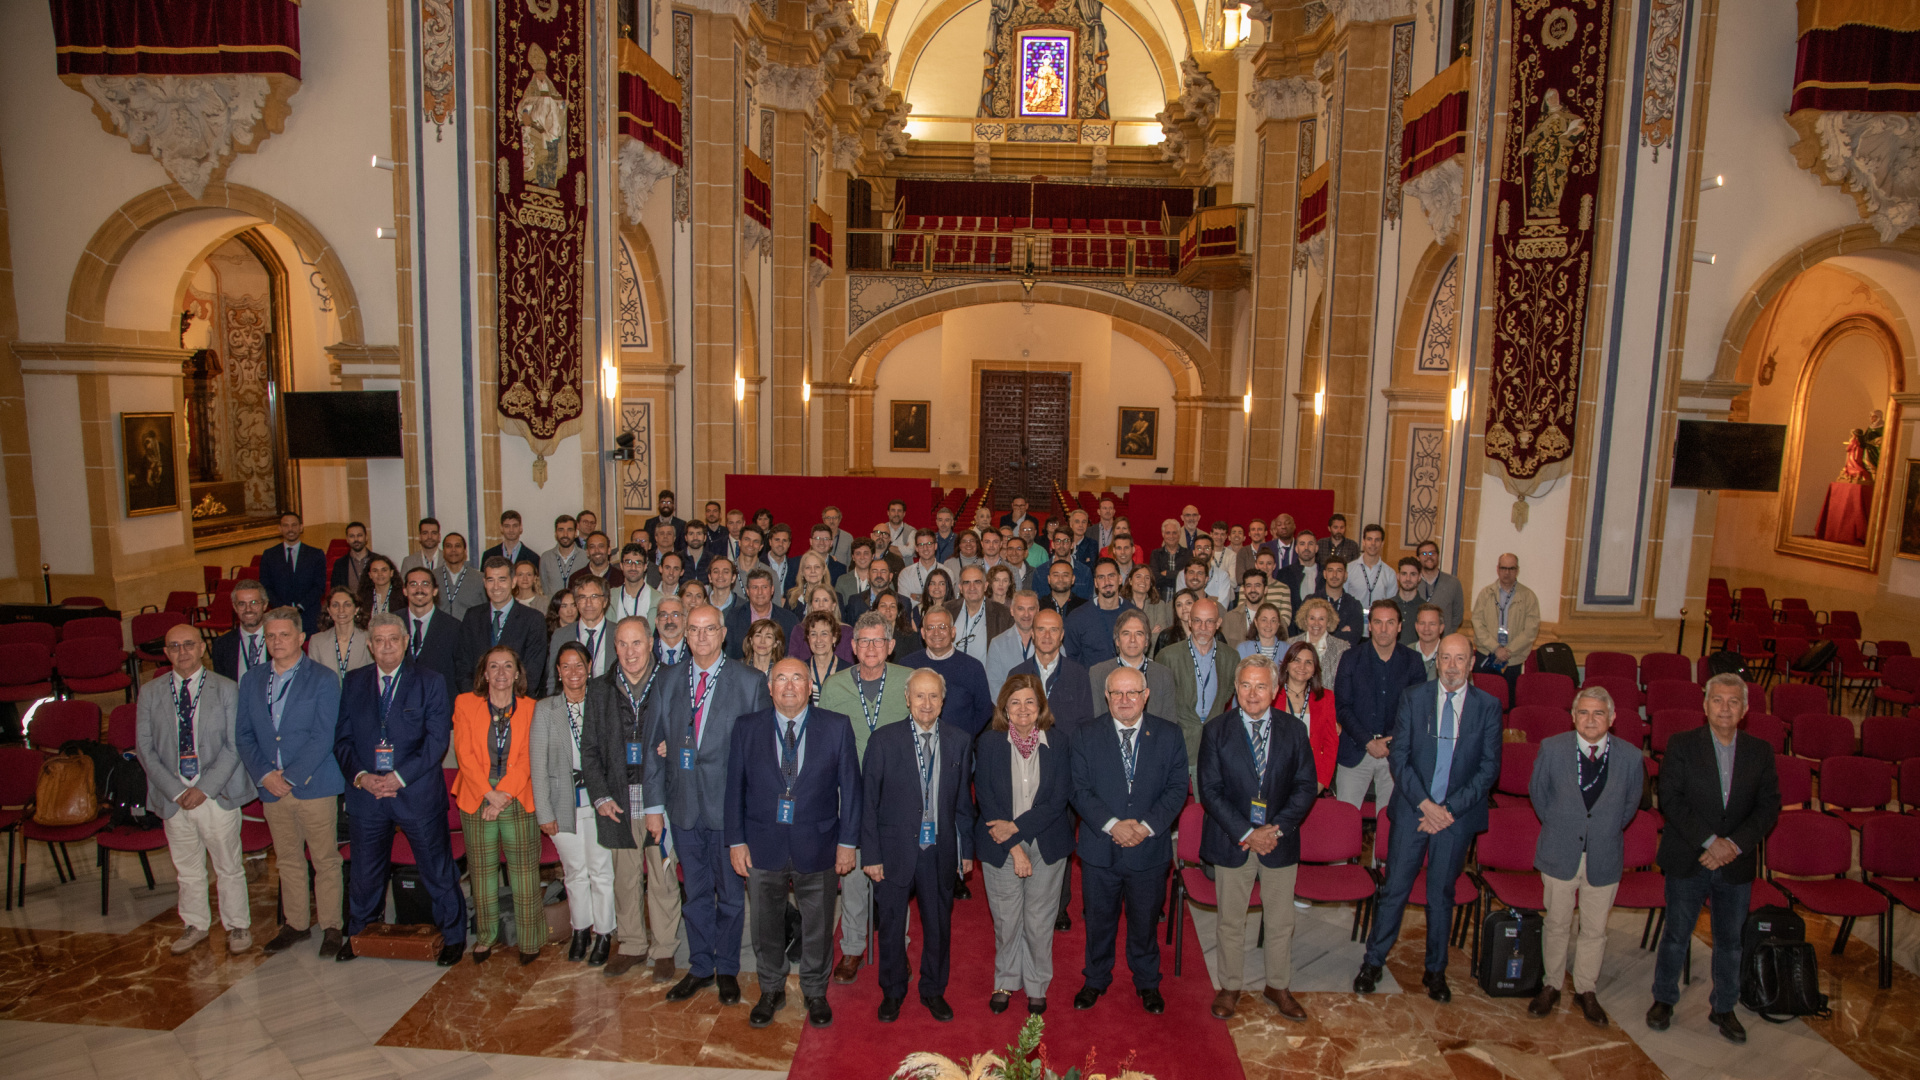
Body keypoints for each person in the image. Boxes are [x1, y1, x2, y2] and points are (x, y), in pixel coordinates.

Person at [1354, 634, 1502, 1002]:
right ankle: (1373, 962)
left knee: (1441, 893)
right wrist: (1426, 805)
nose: (1451, 666)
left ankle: (1435, 971)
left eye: (1459, 659)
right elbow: (1399, 757)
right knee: (1394, 890)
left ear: (1471, 663)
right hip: (1413, 812)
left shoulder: (1488, 706)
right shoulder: (1414, 698)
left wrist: (1447, 810)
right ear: (1437, 662)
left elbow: (1488, 770)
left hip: (1456, 817)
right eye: (1446, 659)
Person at [643, 605, 775, 1005]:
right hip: (683, 805)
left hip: (728, 808)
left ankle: (729, 969)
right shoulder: (666, 680)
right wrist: (652, 806)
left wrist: (756, 812)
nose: (701, 637)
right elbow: (652, 744)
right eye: (694, 629)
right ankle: (700, 966)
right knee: (696, 893)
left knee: (732, 895)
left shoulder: (750, 681)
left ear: (723, 634)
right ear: (684, 634)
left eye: (709, 629)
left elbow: (762, 752)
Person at [1646, 674, 1782, 1045]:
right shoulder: (1681, 745)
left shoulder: (1760, 751)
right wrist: (1709, 843)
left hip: (1735, 863)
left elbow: (1769, 807)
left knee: (1731, 941)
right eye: (1717, 701)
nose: (1725, 708)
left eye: (1733, 702)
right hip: (1690, 856)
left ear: (1746, 709)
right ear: (1704, 707)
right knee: (1676, 935)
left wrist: (1733, 845)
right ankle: (1663, 999)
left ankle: (1724, 1007)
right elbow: (1670, 799)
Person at [726, 657, 861, 1030]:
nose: (789, 686)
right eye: (780, 678)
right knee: (765, 924)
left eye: (797, 678)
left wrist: (848, 842)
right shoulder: (746, 728)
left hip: (817, 843)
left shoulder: (836, 727)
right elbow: (734, 789)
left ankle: (815, 990)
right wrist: (735, 841)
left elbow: (850, 790)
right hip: (761, 845)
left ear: (809, 687)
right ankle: (770, 988)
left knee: (818, 923)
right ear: (769, 688)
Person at [332, 613, 465, 964]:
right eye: (379, 640)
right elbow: (342, 740)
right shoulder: (354, 681)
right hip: (368, 795)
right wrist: (362, 777)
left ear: (406, 642)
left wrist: (399, 777)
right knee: (364, 873)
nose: (386, 646)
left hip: (415, 792)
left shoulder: (430, 681)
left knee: (437, 869)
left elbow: (437, 741)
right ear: (369, 645)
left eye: (393, 639)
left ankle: (453, 935)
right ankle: (359, 933)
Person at [1197, 654, 1319, 1021]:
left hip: (1280, 840)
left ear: (1276, 689)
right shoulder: (1216, 730)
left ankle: (1277, 986)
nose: (1253, 693)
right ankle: (1230, 986)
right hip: (1232, 839)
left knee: (1281, 920)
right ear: (1236, 688)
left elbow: (1305, 787)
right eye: (1246, 685)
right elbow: (1210, 791)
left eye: (1261, 685)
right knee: (1231, 921)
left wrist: (1274, 829)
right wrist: (1249, 833)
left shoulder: (1295, 730)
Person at [861, 668, 977, 1022]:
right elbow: (869, 804)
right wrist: (872, 855)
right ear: (907, 699)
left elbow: (962, 803)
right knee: (893, 927)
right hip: (894, 851)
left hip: (939, 851)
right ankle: (893, 991)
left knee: (939, 926)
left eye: (933, 696)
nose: (926, 704)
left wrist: (965, 850)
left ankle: (933, 990)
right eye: (919, 696)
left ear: (943, 701)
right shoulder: (883, 740)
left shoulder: (959, 740)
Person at [1071, 665, 1187, 1014]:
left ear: (1145, 695)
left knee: (1145, 921)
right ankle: (1095, 979)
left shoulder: (1169, 735)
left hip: (1148, 848)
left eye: (1132, 693)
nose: (1124, 700)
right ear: (1106, 696)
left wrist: (1146, 826)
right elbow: (1078, 789)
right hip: (1099, 848)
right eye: (1117, 693)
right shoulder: (1085, 734)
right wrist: (1112, 825)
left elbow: (1178, 787)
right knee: (1098, 921)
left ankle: (1147, 982)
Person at [1526, 686, 1645, 1027]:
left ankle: (1586, 989)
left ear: (1612, 718)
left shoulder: (1630, 757)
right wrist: (1566, 825)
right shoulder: (1552, 748)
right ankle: (1551, 985)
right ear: (1573, 716)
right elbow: (1539, 795)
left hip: (1604, 854)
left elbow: (1629, 806)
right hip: (1560, 849)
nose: (1591, 720)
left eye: (1598, 713)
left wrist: (1598, 830)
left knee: (1594, 929)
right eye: (1584, 712)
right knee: (1557, 922)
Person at [234, 606, 346, 955]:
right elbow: (244, 735)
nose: (277, 642)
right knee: (287, 860)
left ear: (301, 638)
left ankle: (331, 926)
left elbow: (323, 735)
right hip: (271, 788)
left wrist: (292, 777)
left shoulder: (324, 678)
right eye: (270, 636)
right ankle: (296, 924)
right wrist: (266, 775)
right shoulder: (251, 680)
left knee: (325, 859)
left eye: (284, 635)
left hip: (314, 785)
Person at [138, 624, 254, 955]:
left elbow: (235, 745)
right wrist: (176, 790)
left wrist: (204, 788)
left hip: (216, 793)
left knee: (228, 866)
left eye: (189, 645)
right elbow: (145, 749)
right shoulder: (150, 692)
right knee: (186, 867)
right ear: (165, 653)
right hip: (174, 797)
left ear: (202, 648)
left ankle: (237, 926)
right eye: (174, 646)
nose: (182, 652)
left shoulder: (227, 689)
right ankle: (195, 924)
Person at [582, 616, 683, 982]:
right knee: (624, 878)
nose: (629, 652)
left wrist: (674, 745)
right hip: (618, 801)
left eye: (636, 643)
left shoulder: (672, 681)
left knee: (662, 878)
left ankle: (665, 948)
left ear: (651, 642)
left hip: (660, 799)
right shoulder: (599, 689)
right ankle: (631, 945)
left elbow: (688, 731)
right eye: (622, 644)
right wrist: (600, 797)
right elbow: (589, 751)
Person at [975, 672, 1073, 1016]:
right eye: (1014, 702)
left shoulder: (1059, 744)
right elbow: (986, 799)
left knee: (1039, 919)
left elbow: (1058, 800)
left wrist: (1015, 827)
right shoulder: (988, 743)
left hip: (1047, 842)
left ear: (1041, 706)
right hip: (999, 845)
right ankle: (1005, 980)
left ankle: (1036, 985)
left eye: (1030, 701)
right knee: (1007, 919)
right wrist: (1014, 847)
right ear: (1004, 706)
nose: (1022, 709)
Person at [450, 645, 545, 963]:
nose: (501, 673)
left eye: (508, 666)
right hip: (476, 798)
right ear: (484, 673)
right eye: (494, 666)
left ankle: (530, 940)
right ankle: (486, 937)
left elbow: (529, 757)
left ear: (518, 673)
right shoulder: (465, 704)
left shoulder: (532, 708)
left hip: (517, 797)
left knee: (524, 873)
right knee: (482, 872)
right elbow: (464, 755)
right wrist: (488, 795)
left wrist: (502, 795)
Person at [534, 642, 616, 964]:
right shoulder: (545, 709)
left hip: (598, 802)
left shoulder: (602, 704)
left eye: (579, 666)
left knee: (601, 870)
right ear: (558, 671)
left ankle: (605, 932)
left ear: (589, 668)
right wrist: (544, 811)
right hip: (562, 804)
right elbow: (537, 766)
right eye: (565, 666)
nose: (573, 673)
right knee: (574, 872)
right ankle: (580, 929)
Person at [1332, 601, 1424, 815]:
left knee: (1390, 827)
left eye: (1390, 623)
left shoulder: (1413, 661)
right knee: (1345, 821)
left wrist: (1390, 741)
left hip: (1397, 754)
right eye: (1378, 622)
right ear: (1369, 626)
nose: (1384, 629)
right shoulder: (1350, 658)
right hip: (1355, 750)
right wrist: (1367, 742)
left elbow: (1416, 711)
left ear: (1400, 626)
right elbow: (1342, 706)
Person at [456, 556, 550, 697]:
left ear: (513, 582)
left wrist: (506, 703)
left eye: (502, 579)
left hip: (517, 702)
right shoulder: (472, 616)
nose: (496, 587)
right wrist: (476, 700)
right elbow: (462, 664)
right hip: (477, 702)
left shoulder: (533, 619)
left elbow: (532, 673)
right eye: (490, 580)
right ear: (484, 583)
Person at [1160, 596, 1231, 772]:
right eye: (1197, 621)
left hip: (1215, 745)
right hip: (1178, 744)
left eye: (1209, 622)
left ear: (1218, 623)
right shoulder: (1168, 656)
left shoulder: (1231, 657)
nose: (1203, 628)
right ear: (1190, 621)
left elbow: (1228, 694)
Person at [900, 606, 994, 737]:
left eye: (942, 627)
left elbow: (984, 710)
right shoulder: (907, 666)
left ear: (953, 632)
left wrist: (964, 737)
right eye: (930, 628)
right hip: (914, 745)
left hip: (959, 747)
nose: (936, 633)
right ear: (923, 633)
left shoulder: (973, 667)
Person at [1008, 608, 1096, 730]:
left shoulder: (1079, 674)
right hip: (1027, 747)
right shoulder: (1016, 674)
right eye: (1041, 629)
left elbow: (1086, 723)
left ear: (1061, 635)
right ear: (1032, 634)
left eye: (1053, 630)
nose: (1047, 636)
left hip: (1067, 748)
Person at [1471, 553, 1539, 700]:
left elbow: (1530, 630)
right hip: (1487, 655)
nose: (1507, 572)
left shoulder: (1528, 596)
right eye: (1503, 568)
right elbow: (1477, 623)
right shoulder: (1486, 594)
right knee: (1481, 700)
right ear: (1497, 569)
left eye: (1511, 568)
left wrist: (1507, 651)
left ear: (1517, 570)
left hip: (1512, 659)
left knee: (1508, 702)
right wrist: (1496, 648)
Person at [1087, 609, 1178, 718]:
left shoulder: (1163, 675)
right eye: (1126, 634)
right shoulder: (1098, 673)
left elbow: (1169, 722)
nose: (1132, 640)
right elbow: (1096, 720)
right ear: (1117, 640)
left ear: (1146, 641)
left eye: (1139, 634)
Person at [1277, 641, 1340, 789]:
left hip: (1310, 776)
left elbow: (1331, 743)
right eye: (1296, 660)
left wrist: (1321, 781)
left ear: (1314, 669)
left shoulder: (1326, 698)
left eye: (1308, 662)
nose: (1302, 667)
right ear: (1286, 665)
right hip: (1276, 774)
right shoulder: (1271, 695)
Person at [400, 567, 463, 699]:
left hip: (439, 703)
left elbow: (460, 673)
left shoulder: (454, 627)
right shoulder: (392, 624)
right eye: (413, 584)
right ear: (405, 591)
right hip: (401, 702)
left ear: (435, 591)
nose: (419, 589)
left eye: (425, 584)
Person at [259, 511, 327, 632]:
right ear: (280, 529)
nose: (290, 529)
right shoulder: (269, 555)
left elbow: (319, 587)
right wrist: (281, 608)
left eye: (294, 525)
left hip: (308, 616)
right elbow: (265, 586)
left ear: (301, 527)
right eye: (286, 525)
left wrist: (299, 608)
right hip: (279, 616)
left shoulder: (316, 554)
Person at [1064, 558, 1135, 667]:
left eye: (1111, 576)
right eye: (1101, 577)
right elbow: (1071, 661)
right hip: (1090, 682)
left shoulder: (1134, 616)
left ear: (1120, 579)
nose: (1107, 582)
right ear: (1096, 583)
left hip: (1127, 681)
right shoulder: (1077, 618)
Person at [549, 576, 615, 679]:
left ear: (605, 601)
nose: (588, 603)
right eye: (582, 597)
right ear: (576, 602)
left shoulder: (618, 634)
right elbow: (553, 679)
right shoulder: (560, 636)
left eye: (594, 597)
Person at [725, 568, 798, 659]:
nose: (760, 592)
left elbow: (793, 655)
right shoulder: (734, 616)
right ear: (747, 591)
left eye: (764, 587)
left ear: (772, 590)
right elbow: (728, 653)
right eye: (755, 587)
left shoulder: (789, 619)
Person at [947, 565, 1011, 666]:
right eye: (967, 582)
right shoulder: (947, 609)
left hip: (986, 678)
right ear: (960, 588)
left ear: (985, 586)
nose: (972, 587)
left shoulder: (1003, 614)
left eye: (977, 582)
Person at [207, 581, 269, 682]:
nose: (248, 609)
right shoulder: (221, 645)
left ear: (265, 605)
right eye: (241, 604)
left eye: (254, 603)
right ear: (235, 607)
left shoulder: (279, 639)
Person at [307, 587, 371, 684]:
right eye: (335, 605)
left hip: (361, 696)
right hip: (328, 696)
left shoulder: (369, 638)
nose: (341, 610)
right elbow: (314, 679)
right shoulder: (317, 641)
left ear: (356, 609)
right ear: (329, 610)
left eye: (347, 605)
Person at [986, 590, 1040, 698]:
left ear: (1038, 611)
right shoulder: (997, 644)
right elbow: (994, 685)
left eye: (1031, 609)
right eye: (1020, 609)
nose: (1026, 614)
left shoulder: (1052, 643)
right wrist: (1014, 709)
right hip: (1010, 711)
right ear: (1011, 610)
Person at [1288, 597, 1349, 681]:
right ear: (1305, 620)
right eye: (1312, 618)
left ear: (1328, 622)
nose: (1316, 623)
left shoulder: (1342, 648)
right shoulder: (1290, 644)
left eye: (1321, 619)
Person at [1414, 540, 1466, 634]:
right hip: (1417, 639)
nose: (1428, 556)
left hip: (1443, 639)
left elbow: (1458, 615)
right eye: (1424, 553)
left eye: (1432, 553)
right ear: (1418, 558)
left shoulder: (1453, 583)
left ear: (1438, 556)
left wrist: (1447, 632)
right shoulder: (1412, 582)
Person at [898, 529, 960, 602]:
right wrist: (936, 598)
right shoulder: (905, 574)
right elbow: (905, 604)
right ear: (916, 548)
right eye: (921, 545)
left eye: (929, 544)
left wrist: (918, 597)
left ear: (935, 546)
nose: (925, 548)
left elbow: (947, 601)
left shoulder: (948, 573)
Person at [797, 611, 845, 703]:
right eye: (813, 634)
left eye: (824, 634)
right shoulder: (800, 670)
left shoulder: (847, 671)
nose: (818, 640)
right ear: (808, 638)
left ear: (834, 637)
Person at [435, 533, 485, 619]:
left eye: (457, 546)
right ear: (443, 551)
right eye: (449, 546)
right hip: (440, 630)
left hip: (470, 630)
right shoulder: (433, 577)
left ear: (465, 551)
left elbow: (486, 610)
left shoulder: (480, 578)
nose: (453, 550)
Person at [1222, 569, 1273, 650]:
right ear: (1244, 590)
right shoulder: (1230, 618)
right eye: (1249, 586)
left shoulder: (1276, 618)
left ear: (1266, 589)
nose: (1253, 590)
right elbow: (1223, 651)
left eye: (1257, 585)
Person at [329, 520, 385, 594]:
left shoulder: (378, 560)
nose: (356, 539)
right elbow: (335, 591)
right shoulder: (340, 564)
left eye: (359, 535)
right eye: (352, 536)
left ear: (366, 537)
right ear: (347, 539)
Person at [608, 544, 660, 623]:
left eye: (638, 563)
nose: (633, 567)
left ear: (645, 566)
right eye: (628, 562)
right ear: (621, 565)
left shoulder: (658, 600)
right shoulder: (609, 597)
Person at [1346, 525, 1394, 609]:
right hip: (1354, 618)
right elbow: (1343, 598)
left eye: (1377, 540)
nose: (1373, 543)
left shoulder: (1390, 573)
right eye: (1369, 539)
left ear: (1382, 543)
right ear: (1363, 542)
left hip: (1379, 620)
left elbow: (1391, 604)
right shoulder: (1349, 569)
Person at [540, 514, 585, 597]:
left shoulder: (586, 557)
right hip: (553, 608)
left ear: (575, 533)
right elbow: (545, 588)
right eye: (561, 530)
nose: (565, 534)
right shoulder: (546, 557)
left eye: (569, 530)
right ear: (555, 533)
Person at [1277, 531, 1321, 606]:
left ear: (1316, 548)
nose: (1306, 548)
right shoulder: (1285, 574)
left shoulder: (1325, 573)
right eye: (1302, 544)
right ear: (1296, 549)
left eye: (1310, 544)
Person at [1391, 557, 1426, 643]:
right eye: (1404, 574)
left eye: (1413, 574)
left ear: (1419, 577)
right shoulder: (1388, 606)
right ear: (1398, 576)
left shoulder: (1426, 609)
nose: (1408, 579)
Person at [1410, 604, 1445, 679]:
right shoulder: (1405, 653)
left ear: (1441, 628)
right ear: (1416, 626)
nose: (1426, 628)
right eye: (1422, 623)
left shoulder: (1449, 654)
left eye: (1432, 624)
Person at [654, 596, 689, 666]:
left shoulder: (694, 651)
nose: (669, 621)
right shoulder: (648, 652)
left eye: (675, 615)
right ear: (656, 621)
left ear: (685, 620)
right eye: (664, 615)